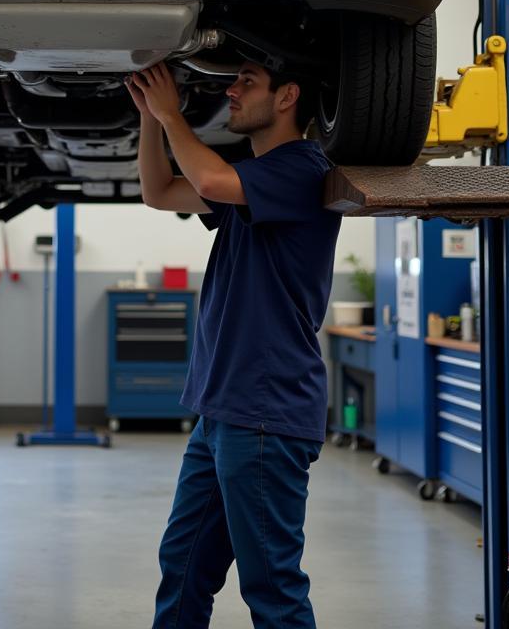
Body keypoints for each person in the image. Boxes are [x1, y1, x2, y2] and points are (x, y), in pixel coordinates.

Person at [126, 60, 342, 629]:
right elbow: (159, 191)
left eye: (247, 80)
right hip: (222, 411)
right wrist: (151, 119)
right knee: (184, 563)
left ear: (289, 94)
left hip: (266, 412)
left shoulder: (300, 167)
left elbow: (211, 182)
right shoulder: (255, 176)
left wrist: (172, 113)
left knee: (272, 585)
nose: (231, 89)